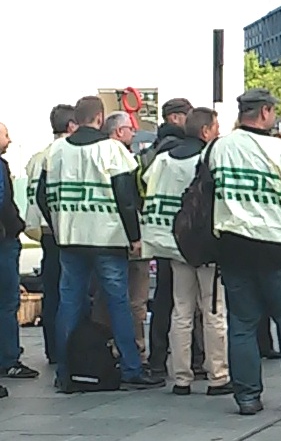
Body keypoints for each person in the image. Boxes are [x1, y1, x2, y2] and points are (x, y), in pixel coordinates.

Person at [208, 89, 281, 415]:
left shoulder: (219, 148)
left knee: (242, 325)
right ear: (265, 112)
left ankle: (247, 397)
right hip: (278, 247)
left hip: (233, 246)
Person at [37, 96, 164, 390]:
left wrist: (58, 224)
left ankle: (65, 370)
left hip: (69, 239)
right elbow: (126, 197)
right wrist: (134, 236)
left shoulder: (54, 152)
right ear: (99, 118)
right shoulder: (113, 151)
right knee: (118, 302)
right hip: (107, 239)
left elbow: (42, 196)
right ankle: (132, 368)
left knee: (69, 303)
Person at [141, 107, 231, 396]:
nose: (218, 132)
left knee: (181, 310)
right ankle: (218, 375)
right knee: (213, 309)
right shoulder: (209, 157)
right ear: (205, 131)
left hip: (171, 242)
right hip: (204, 245)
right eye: (216, 127)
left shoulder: (163, 159)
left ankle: (181, 377)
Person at [138, 98, 204, 377]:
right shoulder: (188, 151)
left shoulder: (153, 150)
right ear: (176, 118)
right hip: (187, 232)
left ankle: (157, 358)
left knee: (166, 297)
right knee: (196, 300)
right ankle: (196, 359)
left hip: (159, 230)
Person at [92, 111, 150, 360]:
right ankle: (135, 351)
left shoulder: (91, 155)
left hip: (99, 237)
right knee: (135, 297)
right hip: (124, 235)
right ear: (118, 132)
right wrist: (135, 236)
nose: (134, 133)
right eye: (130, 129)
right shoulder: (124, 159)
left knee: (103, 298)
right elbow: (129, 200)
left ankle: (102, 349)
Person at [24, 105, 77, 365]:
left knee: (52, 291)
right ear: (71, 127)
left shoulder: (37, 157)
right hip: (65, 228)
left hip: (44, 230)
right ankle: (70, 347)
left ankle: (53, 349)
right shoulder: (66, 154)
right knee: (71, 291)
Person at [0, 122, 36, 381]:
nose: (10, 140)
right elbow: (3, 202)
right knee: (7, 302)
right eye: (5, 134)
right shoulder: (0, 167)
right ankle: (9, 358)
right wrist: (16, 225)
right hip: (3, 240)